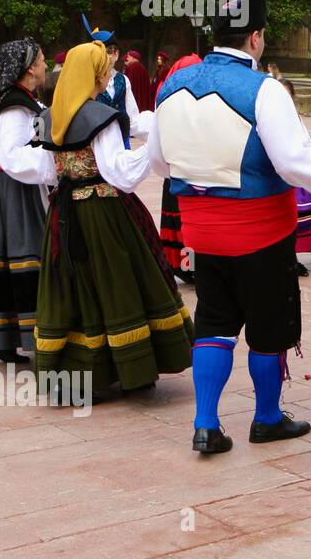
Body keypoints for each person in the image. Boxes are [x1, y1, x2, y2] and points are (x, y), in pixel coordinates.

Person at [152, 0, 311, 453]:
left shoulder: (172, 84)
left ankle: (207, 424)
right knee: (268, 326)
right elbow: (294, 166)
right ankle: (267, 418)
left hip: (201, 231)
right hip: (261, 231)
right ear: (255, 38)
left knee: (213, 320)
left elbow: (158, 158)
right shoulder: (264, 89)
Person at [35, 41, 193, 395]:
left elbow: (48, 172)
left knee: (75, 287)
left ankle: (80, 372)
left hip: (65, 212)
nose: (108, 73)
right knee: (118, 282)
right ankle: (131, 366)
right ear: (94, 74)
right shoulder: (99, 118)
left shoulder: (49, 118)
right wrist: (154, 148)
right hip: (104, 212)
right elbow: (119, 173)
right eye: (104, 68)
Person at [0, 39, 50, 364]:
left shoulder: (24, 101)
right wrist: (52, 162)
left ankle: (6, 338)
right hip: (13, 188)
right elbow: (9, 155)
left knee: (14, 255)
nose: (44, 65)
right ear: (28, 69)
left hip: (16, 185)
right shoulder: (13, 107)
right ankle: (23, 335)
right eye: (41, 60)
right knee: (24, 253)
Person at [155, 54, 202, 286]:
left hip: (178, 175)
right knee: (185, 223)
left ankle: (186, 267)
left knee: (183, 223)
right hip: (186, 175)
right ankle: (188, 267)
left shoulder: (168, 99)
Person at [81, 16, 150, 150]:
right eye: (104, 52)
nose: (108, 56)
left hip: (120, 147)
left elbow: (133, 119)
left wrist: (152, 137)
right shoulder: (84, 80)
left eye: (112, 51)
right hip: (93, 148)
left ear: (117, 54)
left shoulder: (123, 80)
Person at [278, 79, 311, 277]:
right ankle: (284, 259)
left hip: (296, 174)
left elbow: (304, 142)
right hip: (281, 175)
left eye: (288, 95)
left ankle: (292, 258)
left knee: (298, 218)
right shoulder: (270, 116)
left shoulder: (294, 117)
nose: (285, 99)